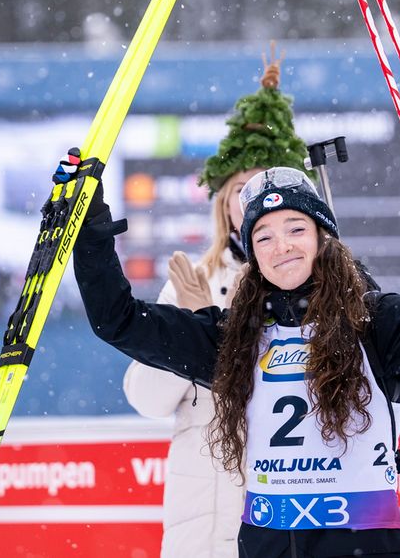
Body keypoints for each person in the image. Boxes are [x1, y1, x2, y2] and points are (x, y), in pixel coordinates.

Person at [72, 151, 400, 557]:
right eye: (263, 237)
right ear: (253, 256)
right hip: (268, 545)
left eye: (296, 229)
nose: (281, 246)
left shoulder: (375, 322)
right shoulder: (235, 338)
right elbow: (118, 320)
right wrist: (90, 228)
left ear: (324, 239)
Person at [122, 54, 310, 558]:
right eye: (241, 190)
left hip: (292, 505)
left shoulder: (324, 284)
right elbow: (147, 400)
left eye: (267, 186)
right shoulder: (195, 277)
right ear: (223, 203)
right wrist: (187, 323)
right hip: (201, 516)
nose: (254, 202)